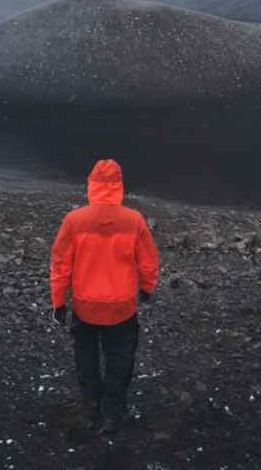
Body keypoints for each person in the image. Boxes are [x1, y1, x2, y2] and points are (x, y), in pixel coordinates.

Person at [49, 158, 160, 435]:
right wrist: (146, 288)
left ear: (92, 186)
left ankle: (92, 406)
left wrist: (58, 301)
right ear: (119, 186)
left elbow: (61, 263)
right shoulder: (133, 220)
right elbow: (148, 261)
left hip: (85, 305)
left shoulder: (74, 220)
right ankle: (113, 413)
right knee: (120, 358)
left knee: (85, 355)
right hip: (122, 306)